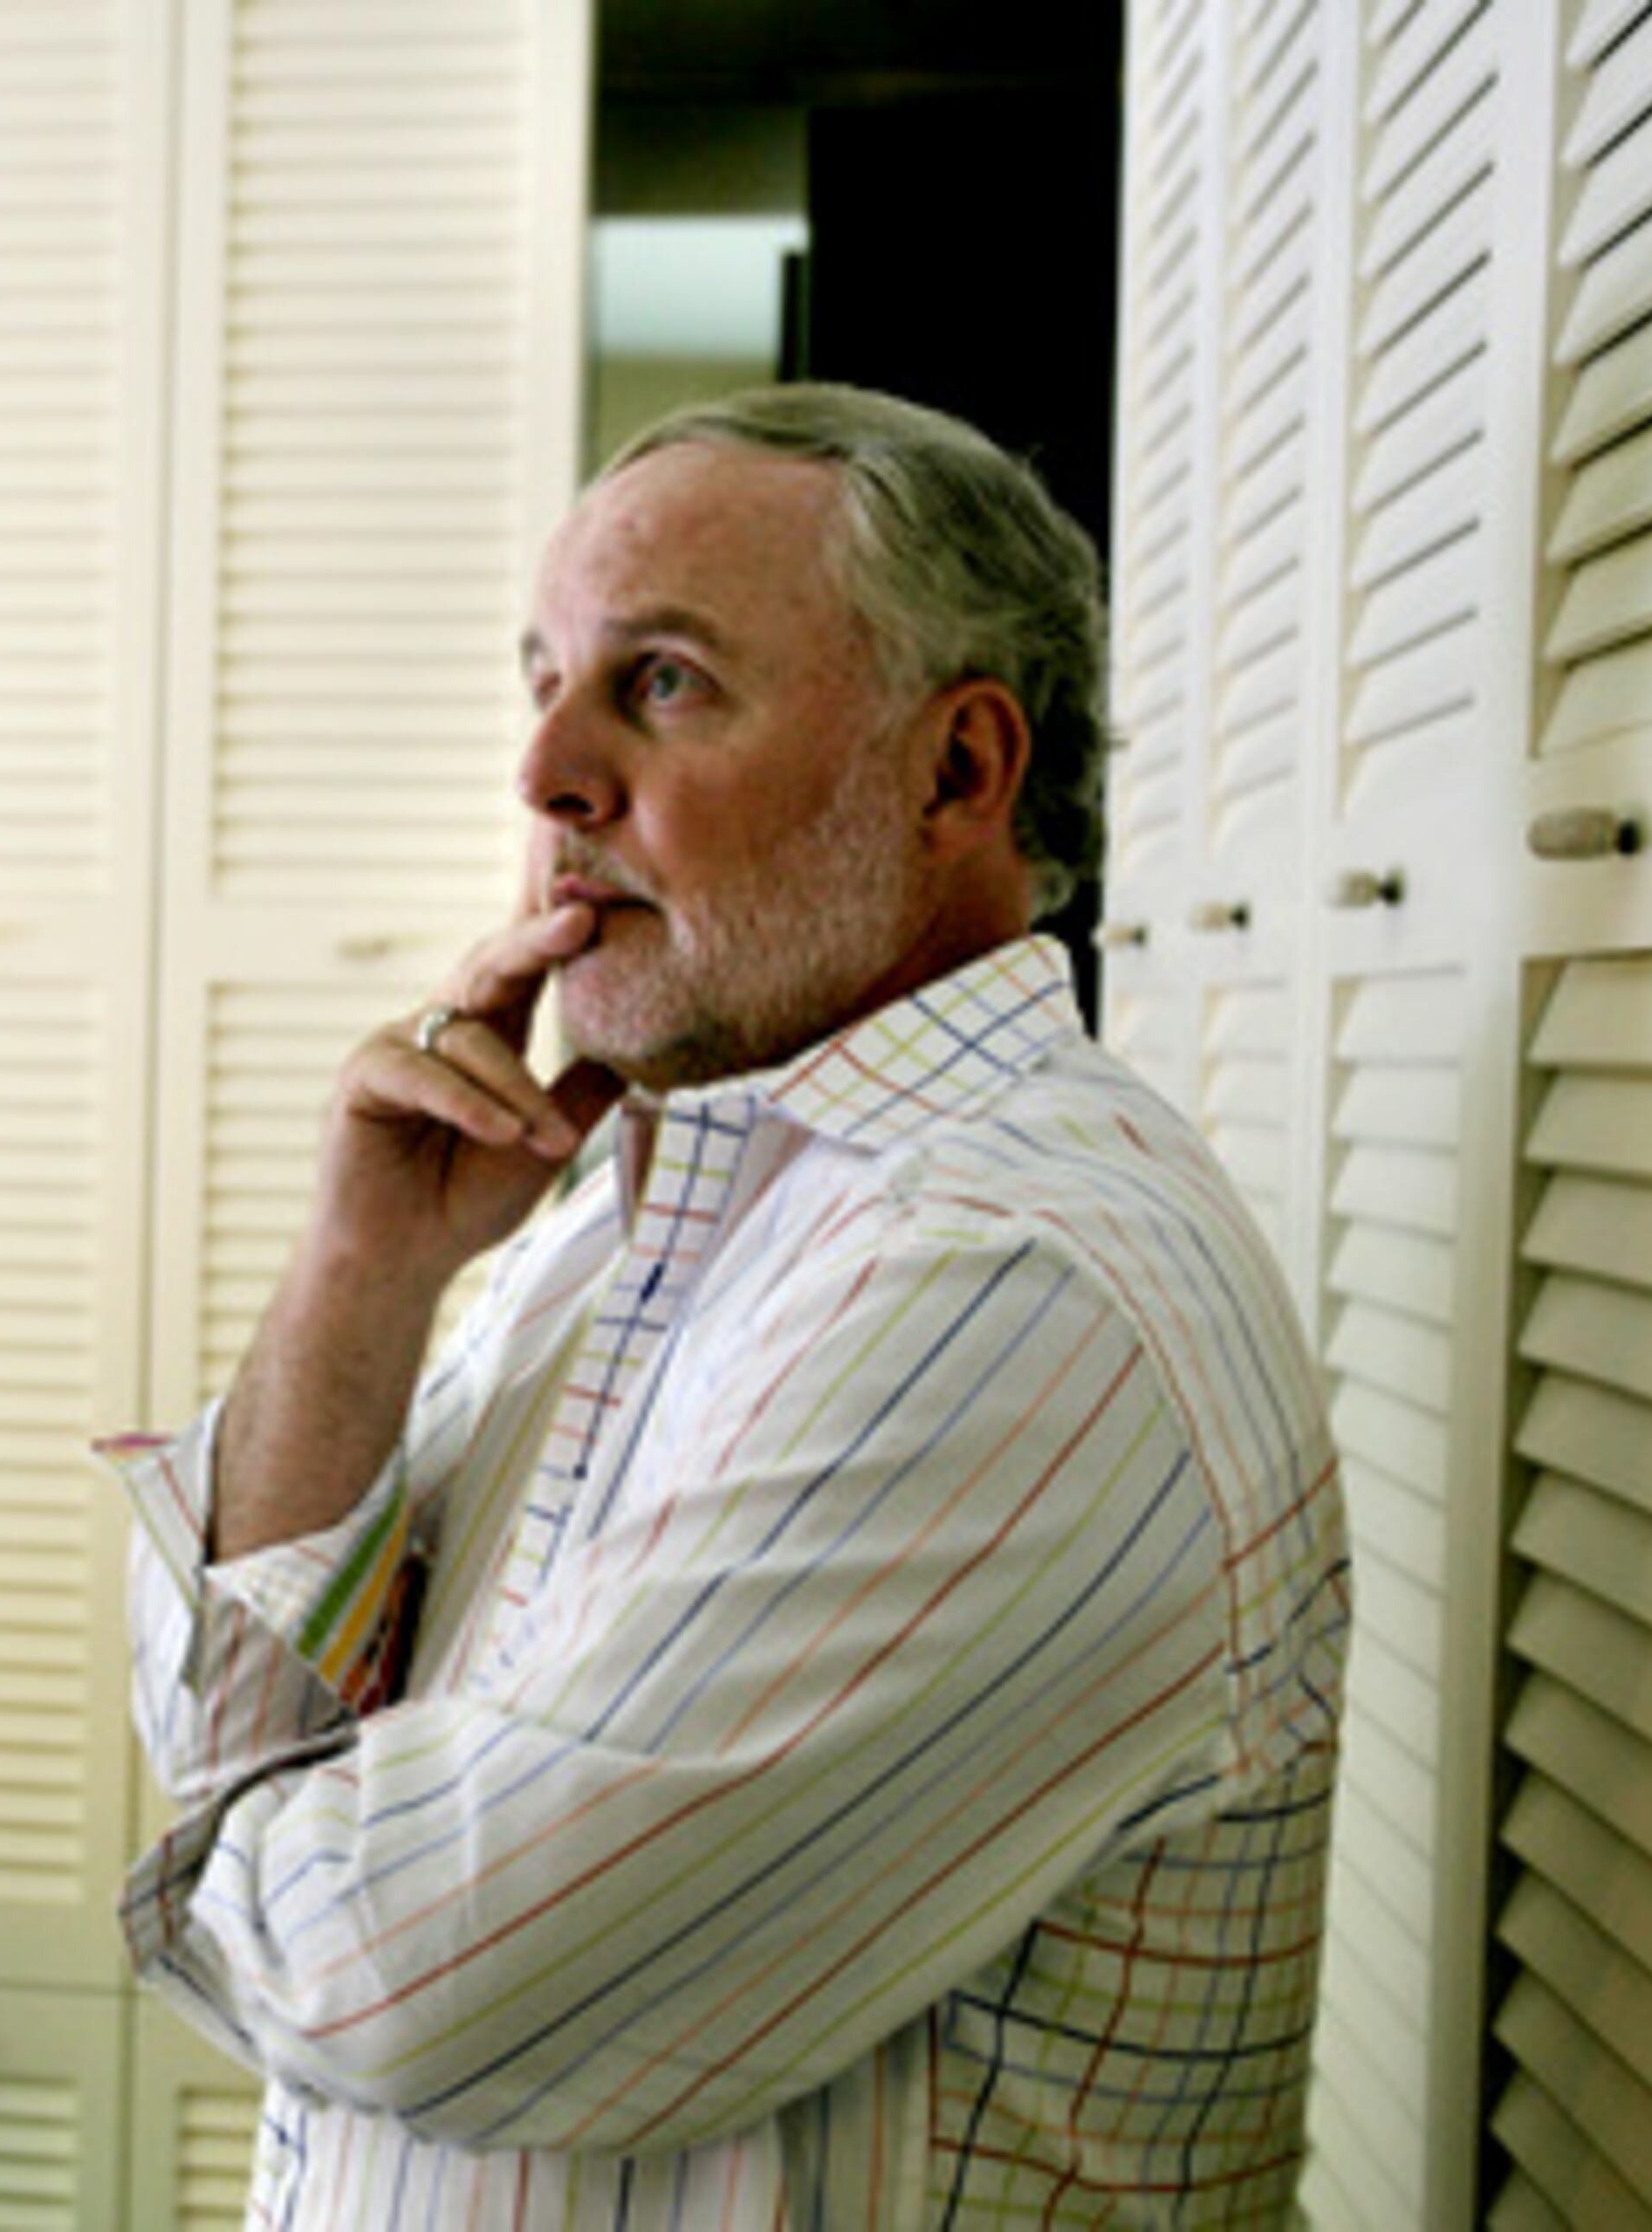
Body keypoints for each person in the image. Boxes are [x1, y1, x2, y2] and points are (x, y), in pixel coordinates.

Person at [99, 385, 1347, 2228]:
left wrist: (235, 1839)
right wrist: (363, 1278)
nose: (545, 776)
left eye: (662, 681)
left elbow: (395, 1987)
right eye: (545, 678)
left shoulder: (998, 1284)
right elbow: (253, 1699)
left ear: (959, 773)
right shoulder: (652, 1191)